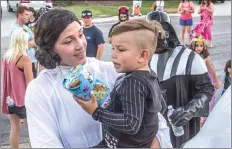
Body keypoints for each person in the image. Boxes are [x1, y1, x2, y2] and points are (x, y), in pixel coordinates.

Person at [25, 8, 172, 148]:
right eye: (68, 41)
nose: (80, 45)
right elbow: (45, 143)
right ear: (50, 48)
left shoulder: (113, 71)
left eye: (81, 34)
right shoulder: (39, 90)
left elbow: (155, 120)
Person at [75, 19, 162, 148]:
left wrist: (96, 111)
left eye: (121, 50)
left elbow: (130, 124)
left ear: (143, 55)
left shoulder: (133, 82)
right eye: (113, 48)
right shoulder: (150, 77)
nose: (113, 55)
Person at [146, 11, 214, 148]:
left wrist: (189, 110)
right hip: (152, 130)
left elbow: (206, 89)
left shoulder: (190, 57)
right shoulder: (144, 58)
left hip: (182, 130)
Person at [1, 28, 34, 148]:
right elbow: (30, 84)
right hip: (21, 100)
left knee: (15, 128)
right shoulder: (25, 59)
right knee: (33, 131)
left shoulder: (7, 56)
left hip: (9, 100)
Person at [9, 6, 37, 78]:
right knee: (30, 87)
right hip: (23, 64)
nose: (29, 17)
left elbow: (35, 40)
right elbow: (23, 46)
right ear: (19, 15)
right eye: (26, 15)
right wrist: (31, 43)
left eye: (29, 15)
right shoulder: (15, 30)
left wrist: (31, 42)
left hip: (31, 61)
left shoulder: (25, 27)